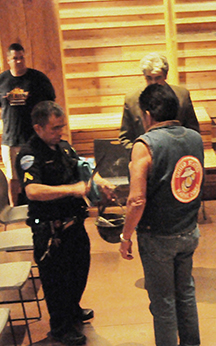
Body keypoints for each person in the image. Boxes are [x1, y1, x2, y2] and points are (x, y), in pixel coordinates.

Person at [16, 101, 115, 345]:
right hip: (50, 230)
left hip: (74, 224)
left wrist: (99, 183)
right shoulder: (29, 155)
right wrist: (71, 190)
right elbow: (33, 191)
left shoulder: (63, 148)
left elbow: (84, 167)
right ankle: (60, 328)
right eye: (54, 128)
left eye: (62, 127)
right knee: (56, 281)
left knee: (78, 272)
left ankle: (72, 309)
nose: (60, 132)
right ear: (38, 128)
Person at [119, 84, 204, 346]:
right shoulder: (194, 138)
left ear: (147, 114)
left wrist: (125, 235)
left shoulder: (145, 145)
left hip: (158, 236)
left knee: (163, 303)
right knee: (186, 294)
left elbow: (136, 199)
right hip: (189, 230)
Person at [0, 43, 56, 206]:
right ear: (9, 60)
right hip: (11, 139)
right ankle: (13, 209)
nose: (18, 61)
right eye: (15, 58)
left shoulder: (38, 79)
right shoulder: (2, 81)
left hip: (33, 138)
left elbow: (50, 105)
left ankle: (41, 207)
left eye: (21, 58)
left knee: (36, 175)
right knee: (13, 178)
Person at [119, 52, 199, 151]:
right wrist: (140, 153)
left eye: (158, 78)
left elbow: (193, 130)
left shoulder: (182, 96)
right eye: (149, 78)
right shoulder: (131, 99)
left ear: (165, 76)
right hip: (144, 157)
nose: (153, 82)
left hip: (175, 153)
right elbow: (125, 138)